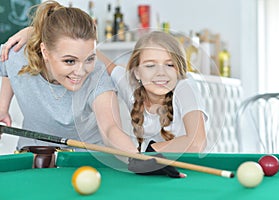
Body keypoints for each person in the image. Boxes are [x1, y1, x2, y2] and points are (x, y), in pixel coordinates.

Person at [0, 1, 186, 178]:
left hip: (86, 166)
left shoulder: (97, 76)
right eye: (69, 61)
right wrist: (2, 107)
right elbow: (10, 70)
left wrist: (137, 157)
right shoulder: (17, 55)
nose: (80, 72)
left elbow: (110, 128)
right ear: (45, 52)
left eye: (89, 58)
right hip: (32, 162)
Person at [98, 31, 208, 153]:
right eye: (150, 65)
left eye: (170, 65)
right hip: (154, 167)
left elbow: (197, 143)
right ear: (137, 72)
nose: (161, 73)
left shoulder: (185, 86)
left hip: (187, 167)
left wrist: (150, 151)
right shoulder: (130, 85)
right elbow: (97, 57)